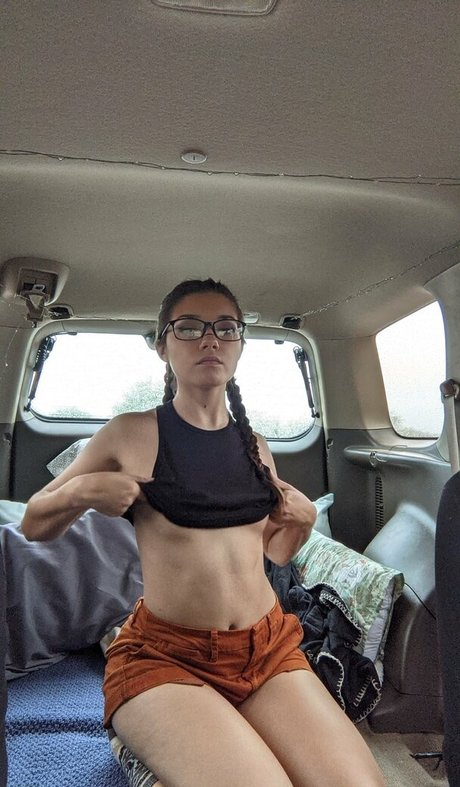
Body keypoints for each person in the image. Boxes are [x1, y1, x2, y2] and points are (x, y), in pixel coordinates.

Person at [22, 278, 385, 787]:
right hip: (166, 657)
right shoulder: (130, 432)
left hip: (269, 648)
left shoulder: (255, 445)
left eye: (225, 328)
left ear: (239, 345)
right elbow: (33, 521)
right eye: (190, 328)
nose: (210, 339)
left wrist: (301, 524)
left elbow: (273, 554)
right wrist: (81, 492)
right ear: (162, 345)